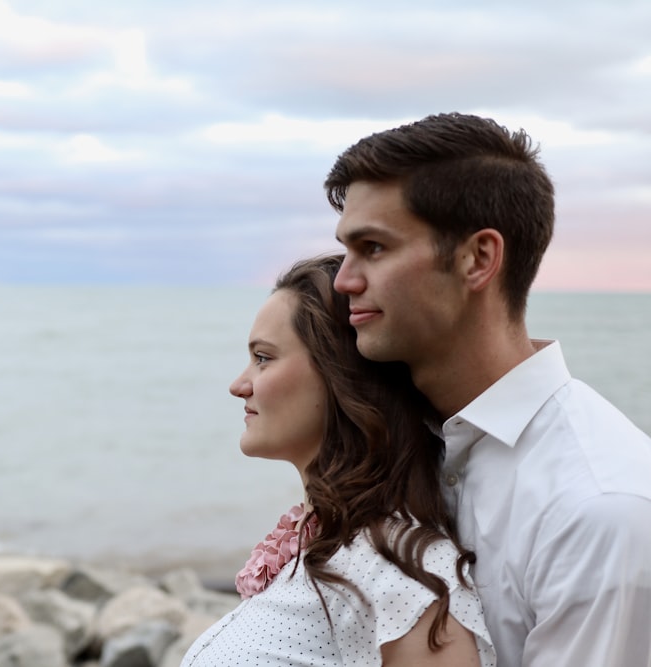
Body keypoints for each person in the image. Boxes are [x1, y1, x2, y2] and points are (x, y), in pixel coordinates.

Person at [325, 112, 651, 667]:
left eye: (374, 248)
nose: (344, 280)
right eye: (347, 250)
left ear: (478, 258)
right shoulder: (391, 438)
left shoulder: (599, 509)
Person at [181, 254, 495, 666]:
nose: (239, 385)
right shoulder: (330, 543)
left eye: (263, 358)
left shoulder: (403, 570)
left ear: (339, 376)